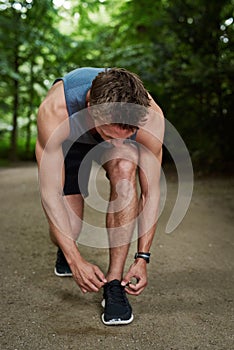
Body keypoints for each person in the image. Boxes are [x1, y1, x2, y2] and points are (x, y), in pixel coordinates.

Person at [36, 67, 164, 326]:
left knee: (126, 163)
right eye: (110, 135)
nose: (118, 144)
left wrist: (143, 257)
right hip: (70, 143)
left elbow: (150, 193)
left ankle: (114, 283)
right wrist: (74, 258)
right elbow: (50, 193)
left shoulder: (150, 118)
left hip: (106, 139)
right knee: (67, 228)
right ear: (88, 106)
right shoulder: (56, 110)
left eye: (127, 136)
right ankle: (64, 249)